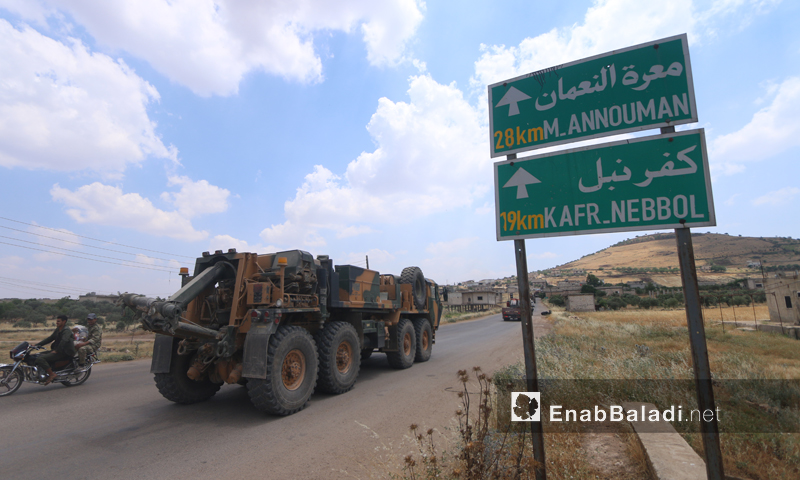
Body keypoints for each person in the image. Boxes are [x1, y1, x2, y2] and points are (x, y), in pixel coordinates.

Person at [34, 314, 76, 385]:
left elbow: (64, 341)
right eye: (57, 321)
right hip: (58, 350)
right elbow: (50, 339)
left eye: (58, 321)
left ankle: (52, 374)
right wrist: (37, 345)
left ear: (64, 321)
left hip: (64, 352)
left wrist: (57, 350)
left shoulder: (66, 330)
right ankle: (42, 372)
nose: (57, 323)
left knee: (40, 359)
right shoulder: (58, 329)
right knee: (36, 356)